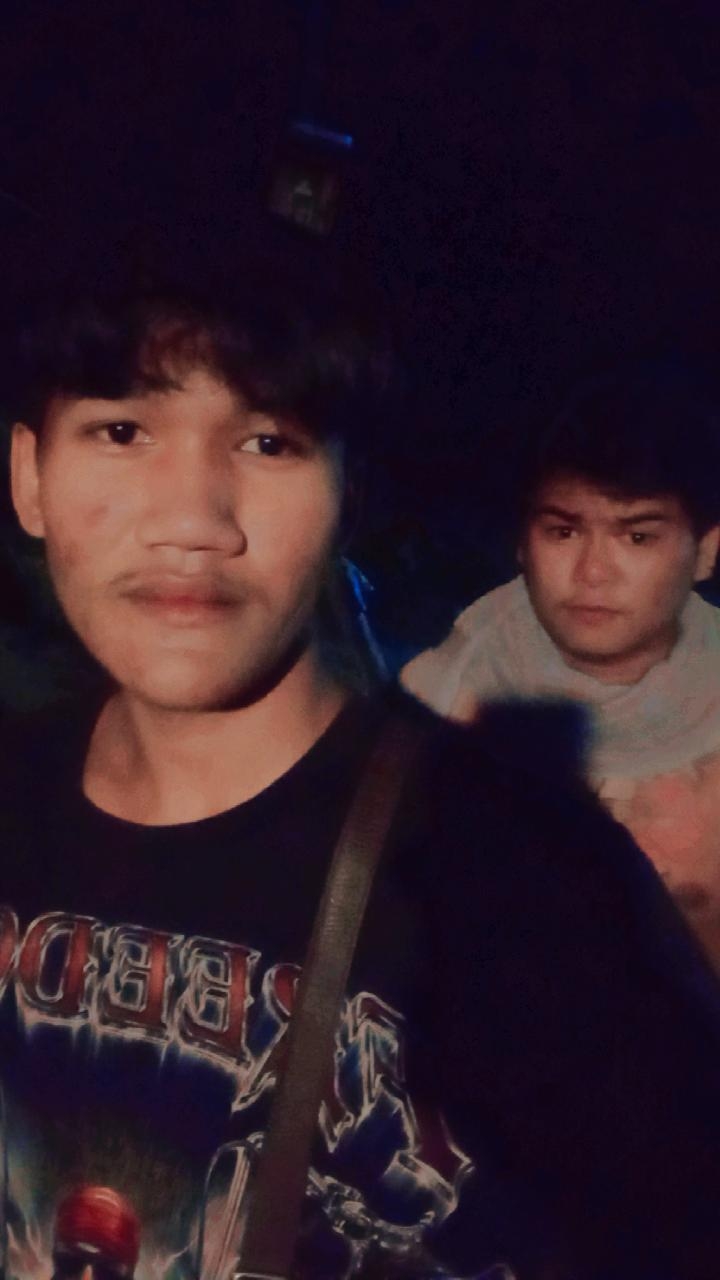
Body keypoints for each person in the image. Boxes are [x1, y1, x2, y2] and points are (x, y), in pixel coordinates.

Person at [2, 280, 720, 1280]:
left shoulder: (524, 881)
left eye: (270, 442)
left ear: (351, 495)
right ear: (29, 477)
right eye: (122, 431)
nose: (194, 520)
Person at [402, 362, 720, 970]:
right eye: (564, 532)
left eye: (637, 537)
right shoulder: (430, 706)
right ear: (523, 542)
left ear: (704, 551)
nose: (593, 573)